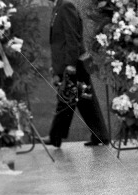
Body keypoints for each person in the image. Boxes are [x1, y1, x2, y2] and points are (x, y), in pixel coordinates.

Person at [44, 0, 110, 148]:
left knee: (68, 98)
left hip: (74, 63)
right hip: (69, 62)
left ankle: (56, 136)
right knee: (83, 99)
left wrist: (70, 65)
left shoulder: (66, 6)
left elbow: (72, 37)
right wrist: (57, 66)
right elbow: (58, 42)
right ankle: (100, 135)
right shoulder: (58, 7)